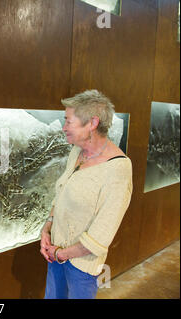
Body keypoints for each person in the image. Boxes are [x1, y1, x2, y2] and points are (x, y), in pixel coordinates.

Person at [40, 89, 133, 299]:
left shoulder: (118, 169)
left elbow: (101, 235)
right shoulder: (77, 151)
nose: (63, 128)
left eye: (68, 122)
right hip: (56, 255)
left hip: (81, 267)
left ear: (92, 123)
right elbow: (61, 193)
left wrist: (61, 254)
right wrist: (47, 227)